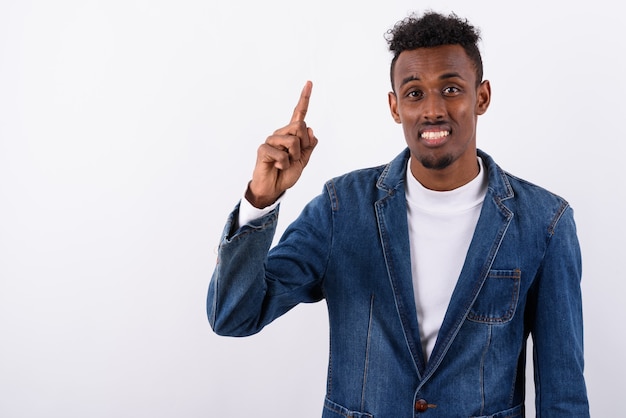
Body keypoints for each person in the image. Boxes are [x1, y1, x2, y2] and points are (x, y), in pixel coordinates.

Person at [207, 11, 589, 417]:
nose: (433, 110)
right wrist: (260, 202)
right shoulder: (342, 208)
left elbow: (562, 392)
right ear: (394, 106)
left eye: (451, 89)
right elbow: (233, 316)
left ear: (482, 97)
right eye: (414, 93)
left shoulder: (544, 223)